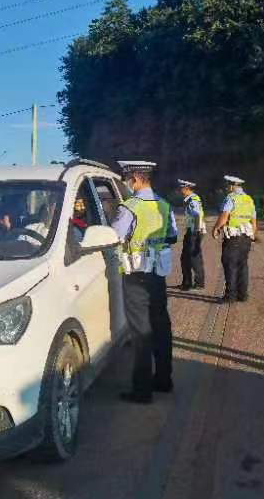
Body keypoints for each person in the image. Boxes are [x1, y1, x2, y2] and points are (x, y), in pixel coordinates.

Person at [111, 161, 178, 404]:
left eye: (126, 179)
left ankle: (142, 391)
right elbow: (172, 236)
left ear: (135, 179)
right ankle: (163, 380)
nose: (126, 184)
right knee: (160, 326)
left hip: (136, 275)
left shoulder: (130, 207)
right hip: (157, 274)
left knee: (141, 331)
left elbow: (114, 236)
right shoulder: (163, 204)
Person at [211, 175, 256, 303]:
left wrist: (216, 228)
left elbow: (224, 216)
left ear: (231, 186)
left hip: (233, 238)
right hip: (246, 238)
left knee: (230, 265)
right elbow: (253, 221)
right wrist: (253, 235)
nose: (226, 188)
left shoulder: (230, 198)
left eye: (227, 186)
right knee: (243, 265)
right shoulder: (249, 199)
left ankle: (230, 296)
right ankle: (243, 295)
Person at [177, 179, 206, 291]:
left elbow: (197, 215)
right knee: (185, 258)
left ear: (187, 188)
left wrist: (197, 231)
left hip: (194, 232)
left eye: (182, 188)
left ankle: (198, 283)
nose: (180, 190)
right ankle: (187, 283)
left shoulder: (193, 200)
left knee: (194, 258)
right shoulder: (191, 199)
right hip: (192, 231)